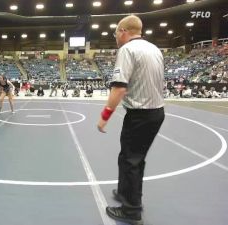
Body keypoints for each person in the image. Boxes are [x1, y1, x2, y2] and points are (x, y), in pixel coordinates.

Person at [97, 15, 165, 225]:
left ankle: (131, 210)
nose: (115, 37)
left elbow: (119, 87)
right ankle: (126, 192)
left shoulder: (127, 50)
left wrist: (104, 116)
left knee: (130, 160)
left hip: (140, 114)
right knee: (132, 158)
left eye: (116, 32)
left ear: (124, 31)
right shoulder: (154, 49)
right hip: (156, 113)